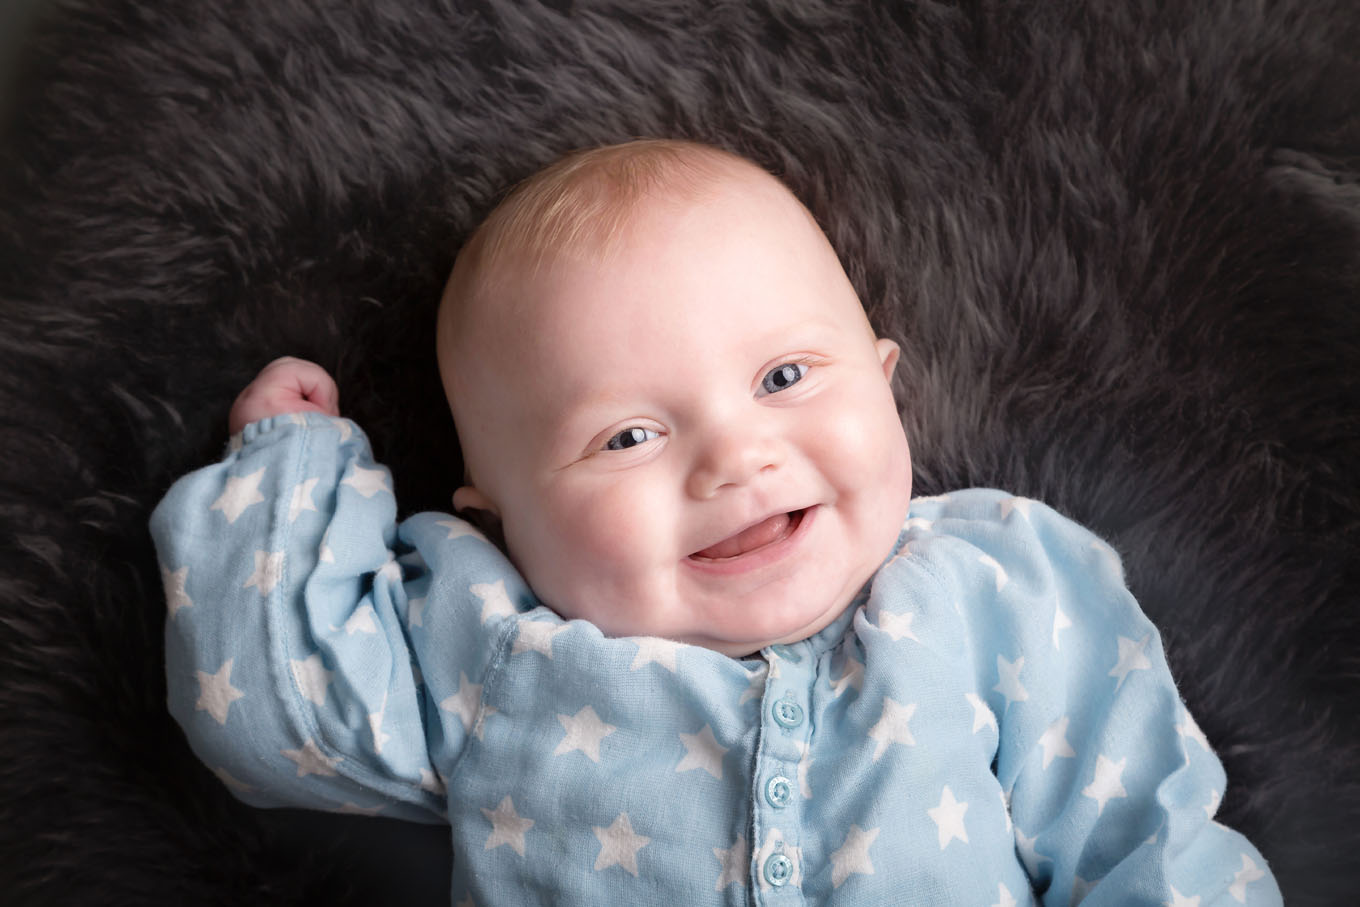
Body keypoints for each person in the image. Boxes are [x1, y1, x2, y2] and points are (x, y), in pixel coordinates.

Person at [150, 139, 1281, 904]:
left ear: (885, 381)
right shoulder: (497, 646)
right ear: (500, 522)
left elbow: (1142, 831)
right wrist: (287, 475)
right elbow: (275, 717)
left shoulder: (994, 584)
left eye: (785, 374)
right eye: (629, 437)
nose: (736, 457)